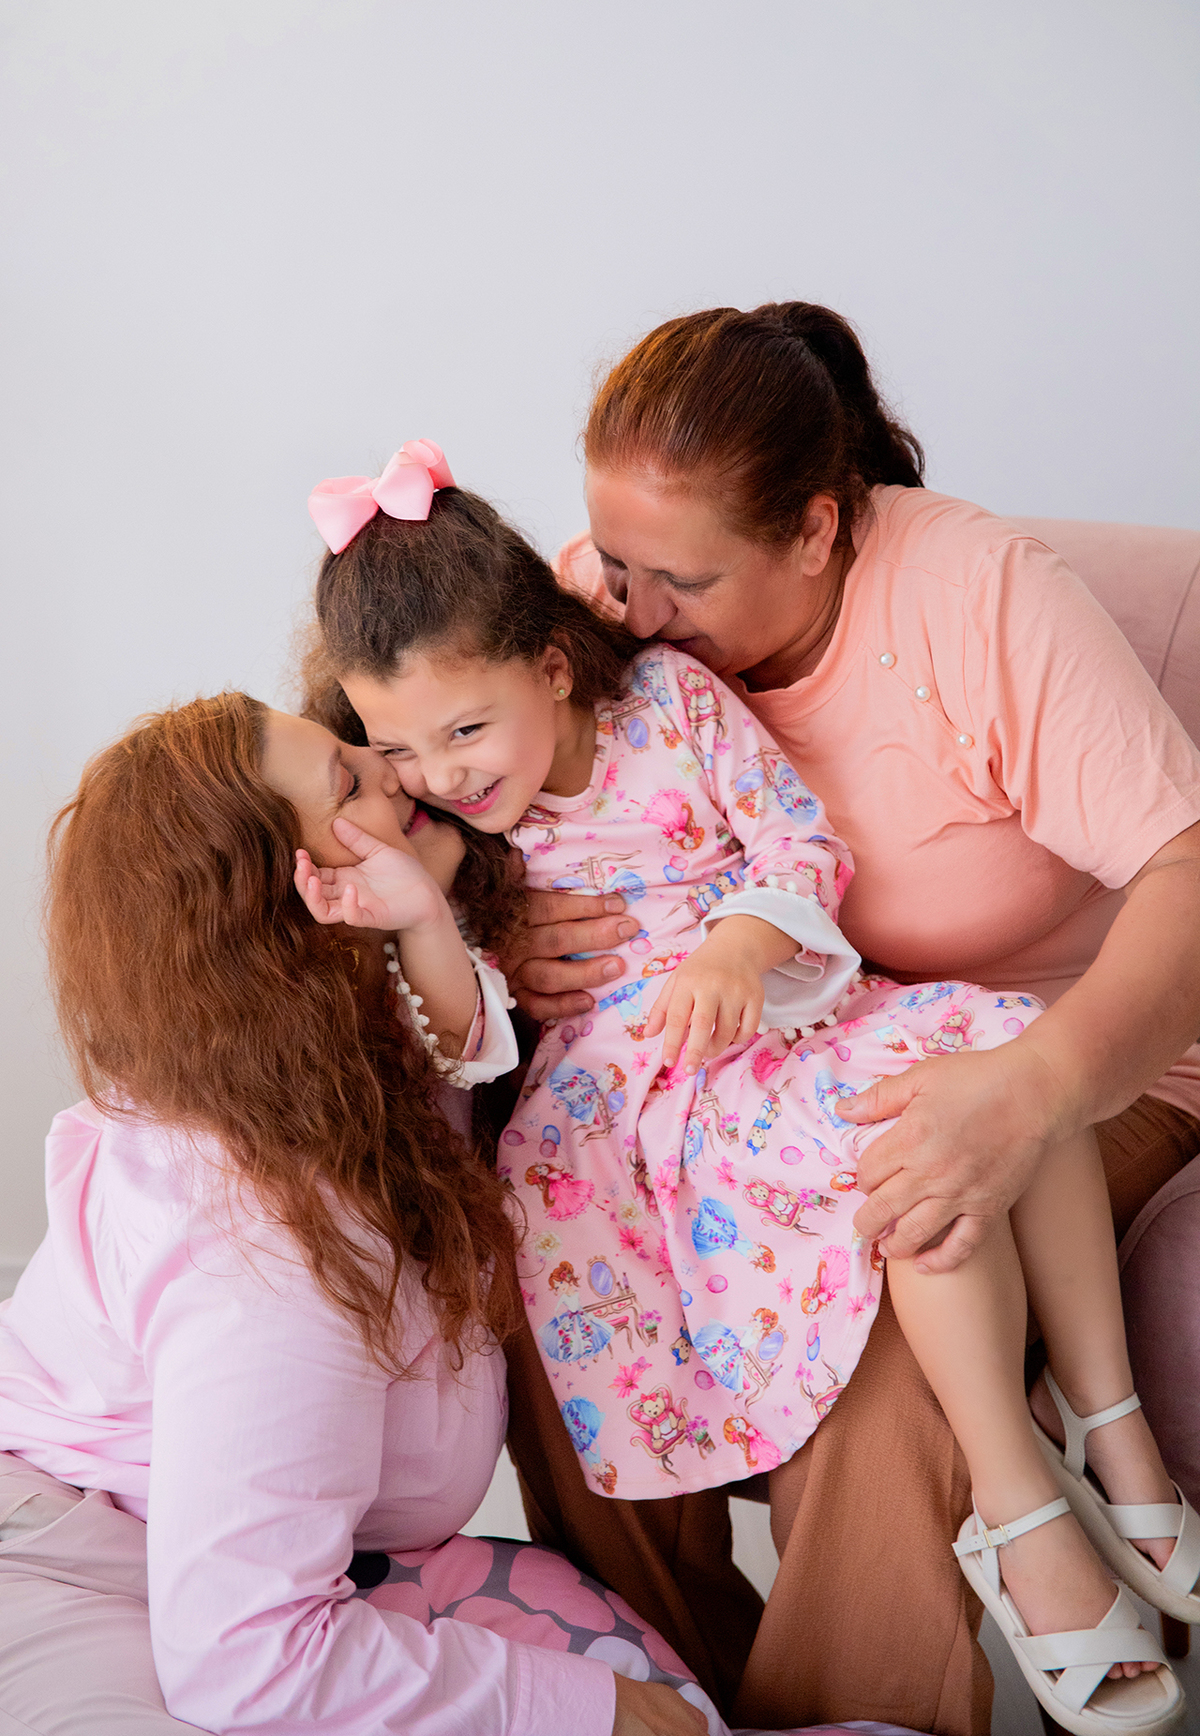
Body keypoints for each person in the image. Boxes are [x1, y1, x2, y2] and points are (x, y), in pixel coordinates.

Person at [304, 447, 1195, 1736]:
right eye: (399, 749)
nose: (439, 773)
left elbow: (793, 841)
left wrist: (742, 940)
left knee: (965, 1103)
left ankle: (1057, 1489)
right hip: (615, 1117)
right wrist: (469, 927)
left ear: (551, 667)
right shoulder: (461, 817)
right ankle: (686, 1689)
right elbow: (433, 978)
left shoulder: (670, 701)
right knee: (570, 1326)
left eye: (461, 735)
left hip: (773, 1042)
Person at [0, 689, 718, 1736]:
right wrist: (607, 1716)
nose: (394, 770)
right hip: (68, 1565)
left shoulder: (349, 1067)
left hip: (210, 1557)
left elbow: (459, 1045)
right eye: (349, 781)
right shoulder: (265, 1243)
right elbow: (244, 1666)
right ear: (292, 904)